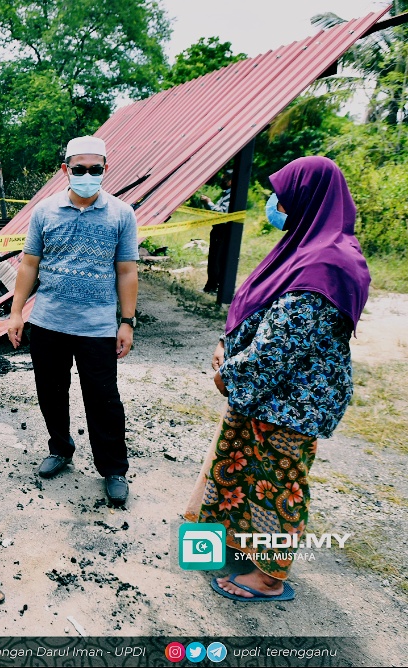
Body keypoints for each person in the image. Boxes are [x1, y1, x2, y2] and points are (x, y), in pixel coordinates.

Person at [184, 156, 371, 602]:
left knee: (276, 486)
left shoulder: (327, 264)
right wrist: (227, 342)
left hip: (289, 403)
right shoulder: (309, 247)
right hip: (268, 397)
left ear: (310, 198)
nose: (276, 204)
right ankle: (234, 547)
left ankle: (269, 577)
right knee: (242, 471)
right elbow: (262, 310)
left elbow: (279, 347)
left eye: (284, 197)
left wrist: (229, 375)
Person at [7, 136, 140, 506]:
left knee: (103, 399)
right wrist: (17, 312)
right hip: (49, 320)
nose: (87, 175)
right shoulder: (45, 212)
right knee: (50, 391)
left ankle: (113, 469)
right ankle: (60, 448)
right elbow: (29, 264)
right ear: (65, 170)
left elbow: (127, 271)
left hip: (97, 326)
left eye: (94, 169)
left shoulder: (121, 214)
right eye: (79, 169)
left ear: (105, 170)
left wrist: (126, 321)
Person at [200, 172, 232, 294]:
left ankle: (213, 287)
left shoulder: (231, 196)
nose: (222, 181)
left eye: (225, 179)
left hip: (222, 231)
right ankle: (210, 285)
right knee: (213, 259)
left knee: (217, 259)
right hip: (218, 231)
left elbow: (222, 212)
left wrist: (209, 202)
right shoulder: (225, 195)